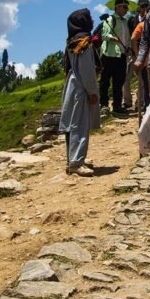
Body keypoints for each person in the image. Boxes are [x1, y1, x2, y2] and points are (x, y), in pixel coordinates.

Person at [59, 9, 100, 177]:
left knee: (72, 124)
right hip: (81, 88)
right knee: (79, 125)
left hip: (72, 85)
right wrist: (92, 92)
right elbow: (87, 70)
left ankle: (72, 159)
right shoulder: (84, 43)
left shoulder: (71, 41)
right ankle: (76, 162)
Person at [99, 0, 132, 114]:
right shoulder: (110, 19)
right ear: (117, 7)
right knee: (105, 80)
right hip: (109, 54)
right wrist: (112, 38)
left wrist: (128, 48)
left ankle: (117, 105)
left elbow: (127, 39)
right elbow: (104, 35)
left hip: (121, 54)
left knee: (119, 81)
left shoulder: (125, 22)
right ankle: (103, 104)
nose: (126, 9)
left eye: (127, 7)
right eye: (124, 7)